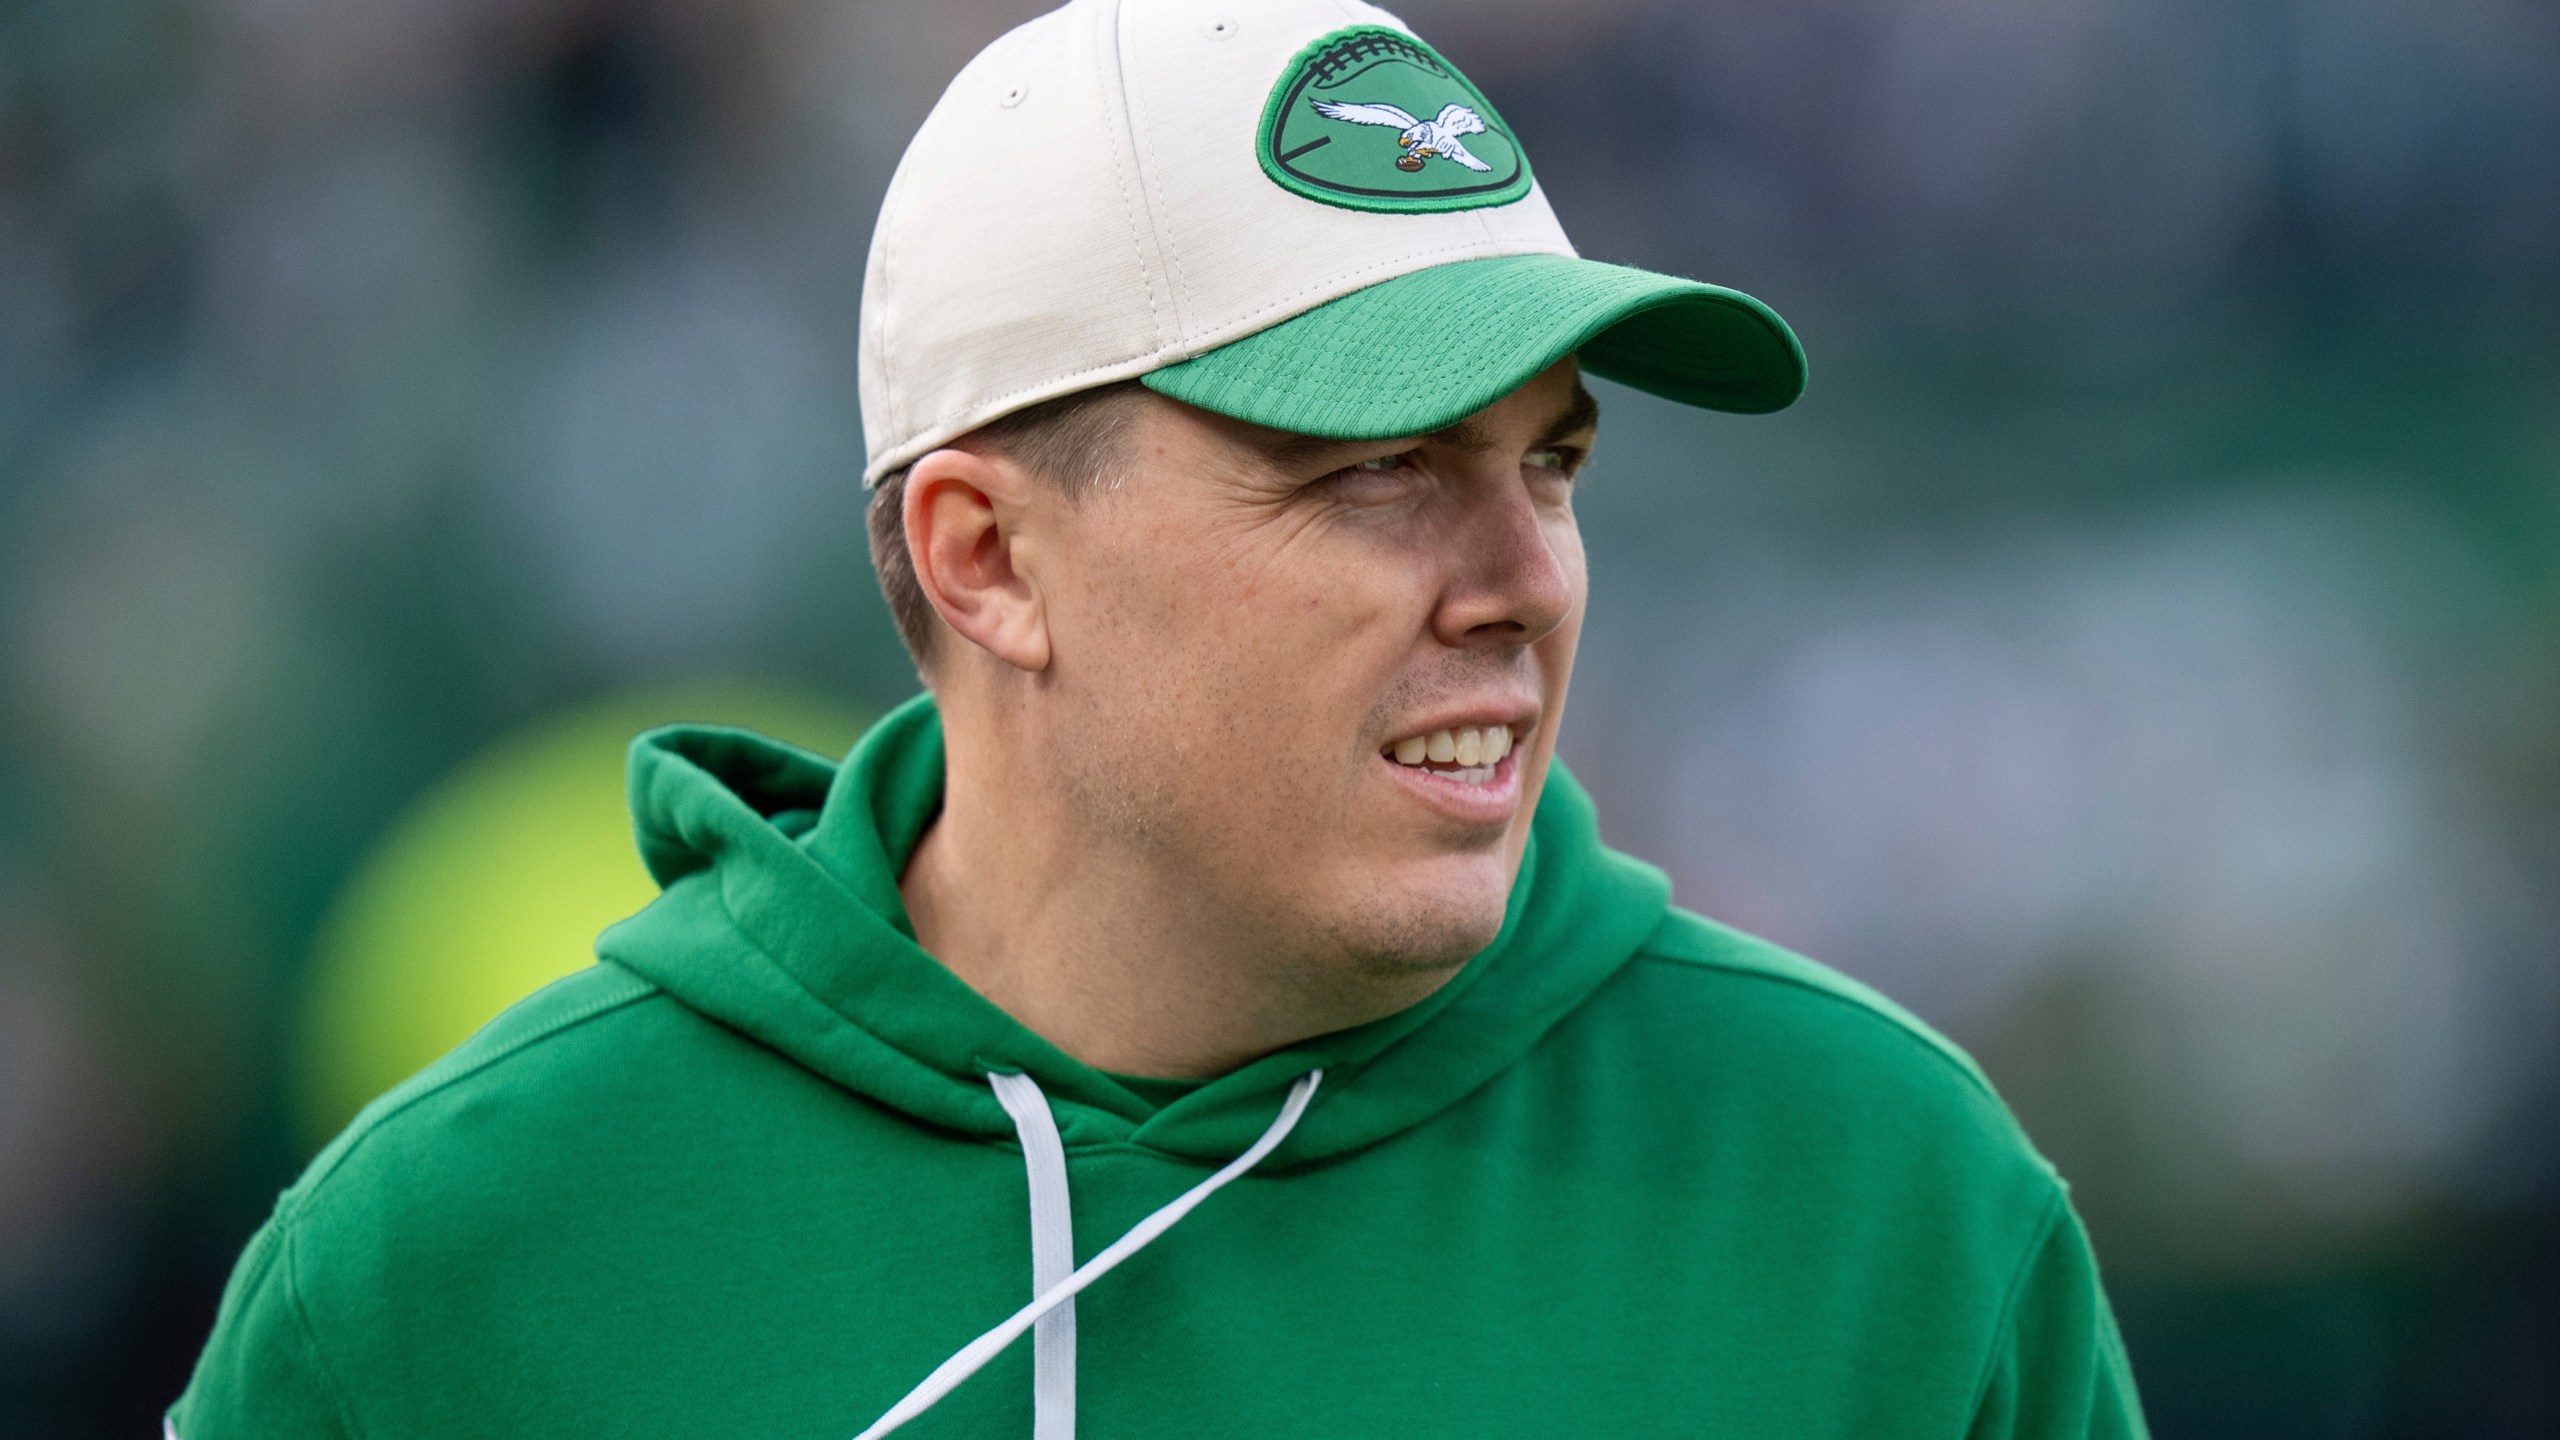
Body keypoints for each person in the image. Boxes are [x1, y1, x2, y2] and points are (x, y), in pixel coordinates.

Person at [171, 2, 2149, 1436]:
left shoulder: (1881, 1205)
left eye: (1545, 466)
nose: (1518, 575)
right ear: (987, 561)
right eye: (1370, 475)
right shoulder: (451, 1270)